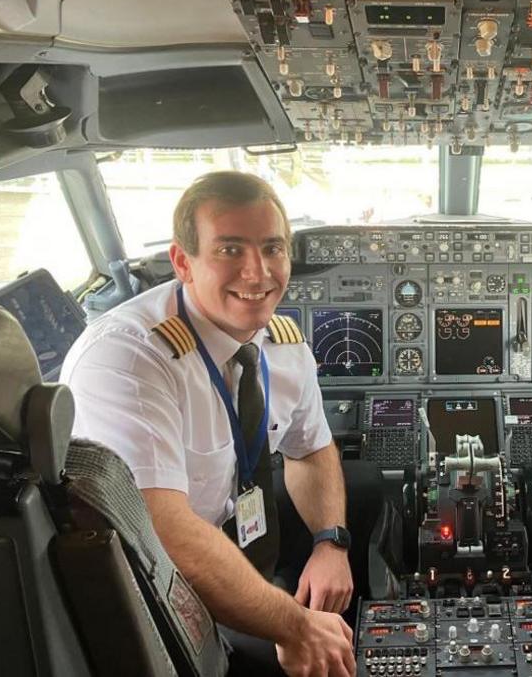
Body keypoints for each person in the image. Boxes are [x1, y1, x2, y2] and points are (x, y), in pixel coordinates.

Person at [61, 171, 376, 677]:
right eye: (231, 250)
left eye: (273, 248)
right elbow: (166, 533)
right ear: (183, 261)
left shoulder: (283, 343)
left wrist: (330, 543)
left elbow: (310, 449)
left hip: (234, 523)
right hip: (158, 576)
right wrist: (295, 626)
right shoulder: (130, 358)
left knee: (367, 486)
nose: (258, 273)